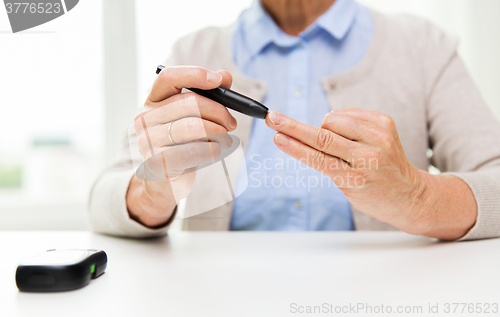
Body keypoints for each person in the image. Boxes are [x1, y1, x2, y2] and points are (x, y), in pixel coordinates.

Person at [89, 0, 500, 240]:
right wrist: (149, 192)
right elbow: (102, 199)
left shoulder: (423, 47)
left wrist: (418, 197)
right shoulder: (195, 51)